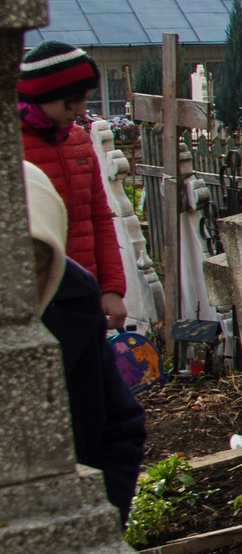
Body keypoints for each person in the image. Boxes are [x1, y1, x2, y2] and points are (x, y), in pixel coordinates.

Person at [25, 160, 143, 523]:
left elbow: (118, 426)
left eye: (36, 264)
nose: (21, 281)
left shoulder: (72, 296)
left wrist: (99, 524)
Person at [19, 41, 126, 328]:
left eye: (86, 98)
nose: (81, 109)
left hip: (84, 298)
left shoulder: (78, 140)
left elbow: (98, 217)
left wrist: (112, 288)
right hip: (33, 304)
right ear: (44, 94)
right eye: (73, 99)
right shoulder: (10, 146)